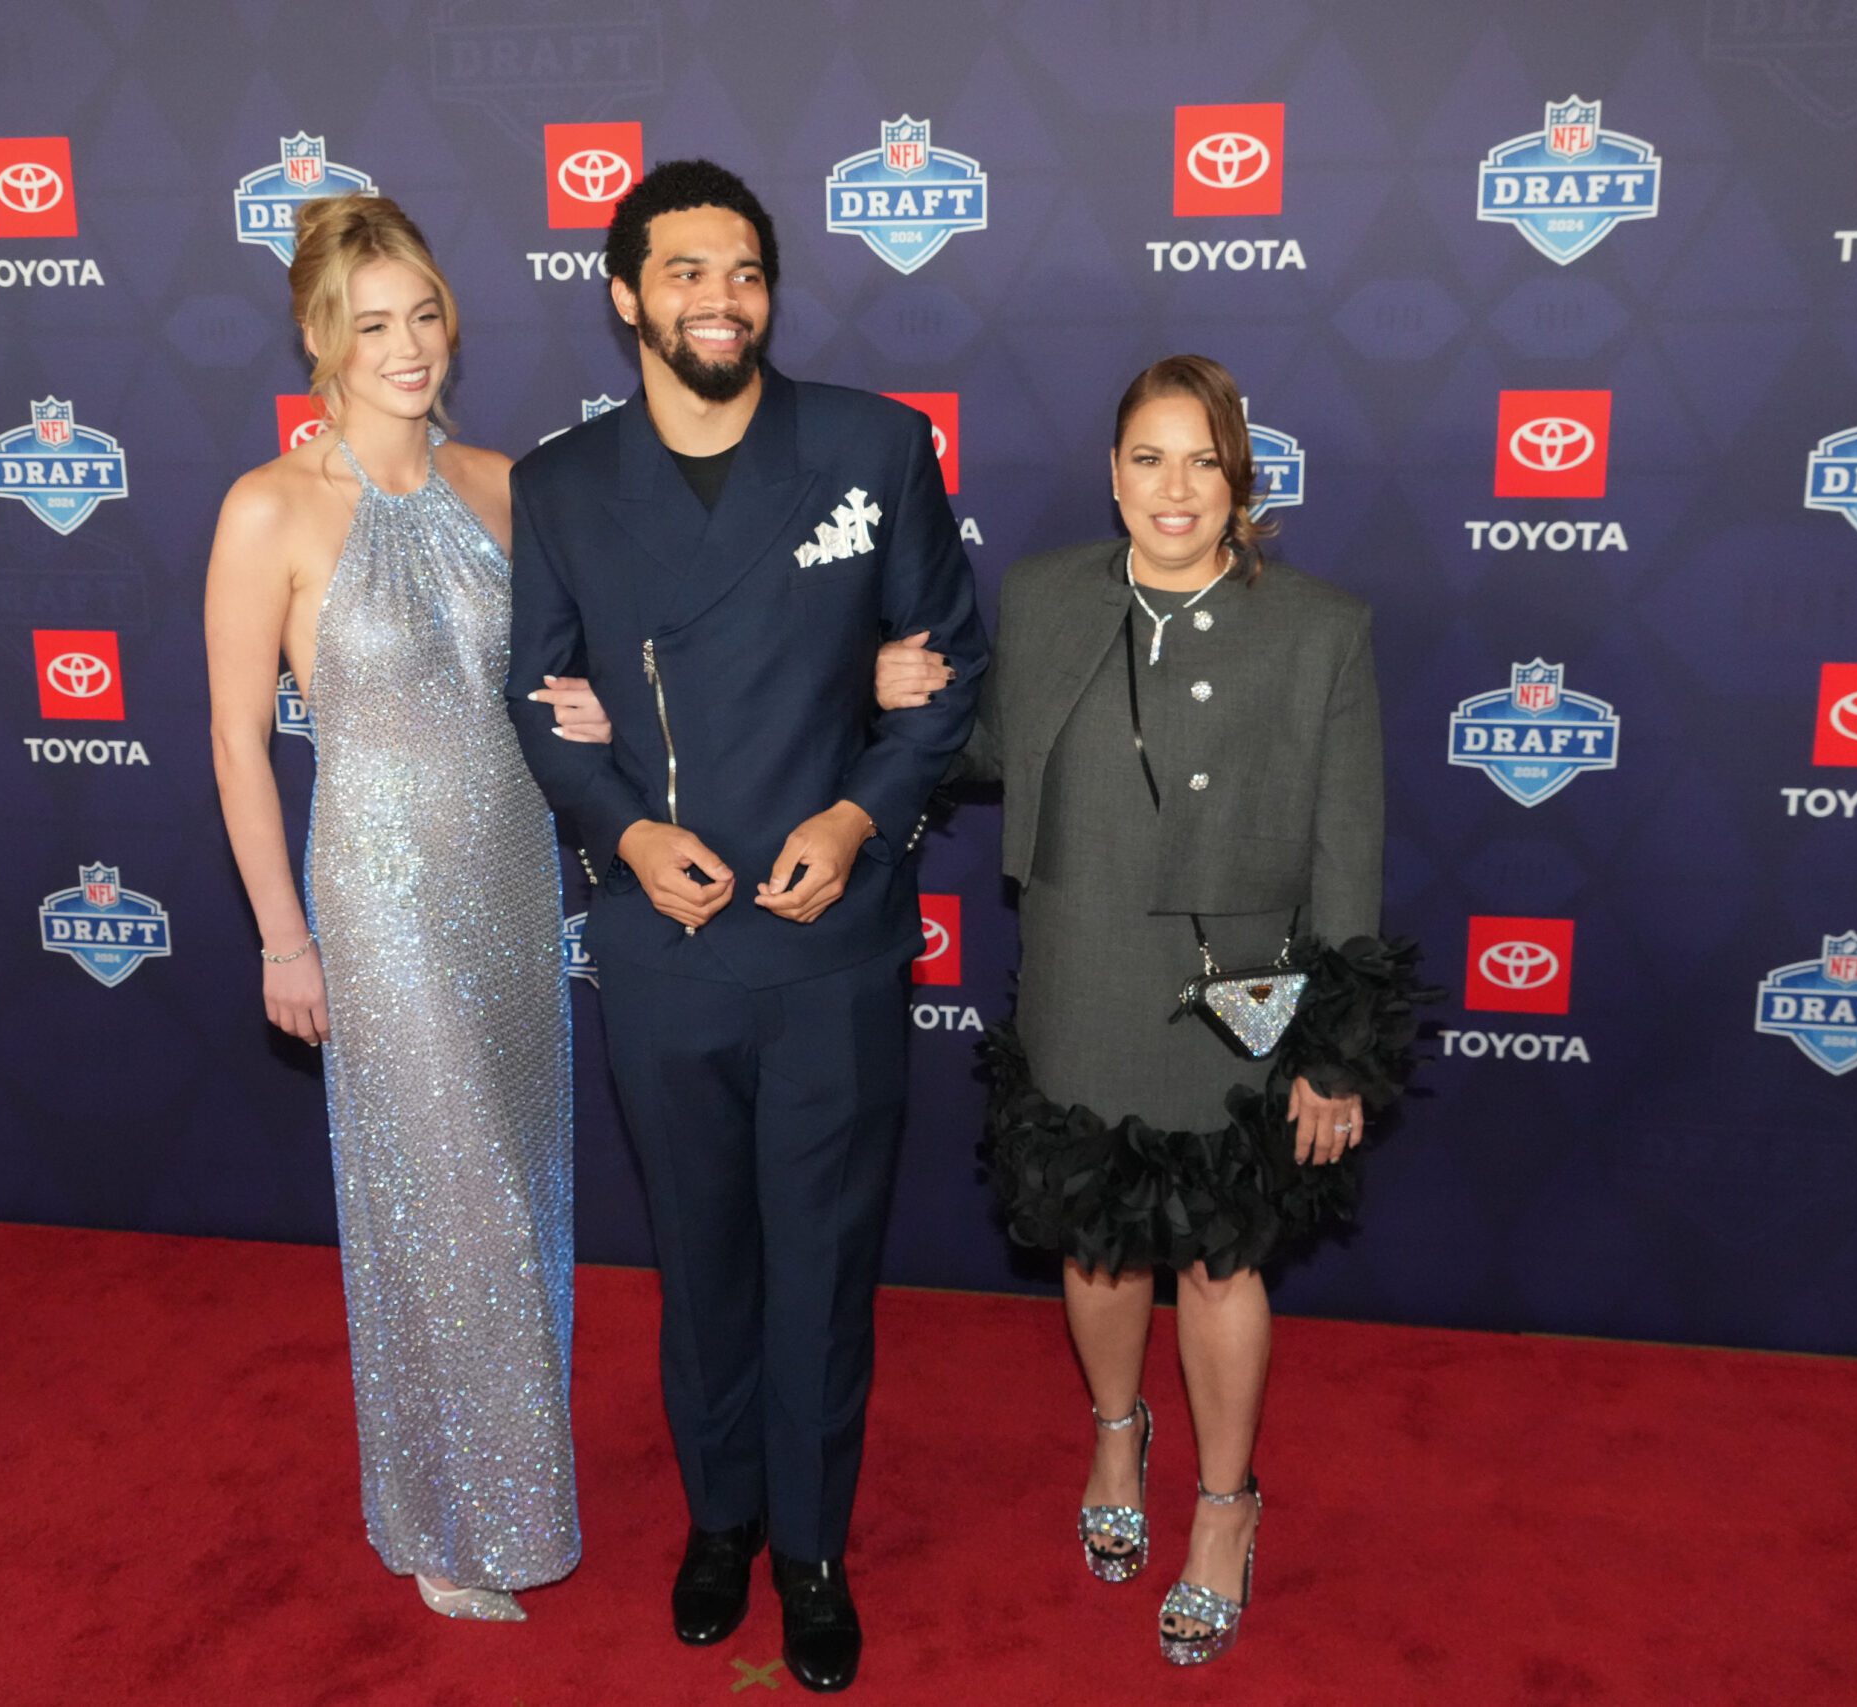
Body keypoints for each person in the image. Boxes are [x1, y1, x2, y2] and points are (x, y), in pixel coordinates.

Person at [502, 159, 987, 1693]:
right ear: (626, 296)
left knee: (823, 1263)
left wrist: (855, 819)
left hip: (832, 943)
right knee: (702, 1258)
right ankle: (721, 1525)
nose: (722, 300)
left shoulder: (873, 446)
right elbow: (541, 701)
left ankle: (811, 1549)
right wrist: (626, 832)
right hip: (662, 946)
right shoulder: (562, 486)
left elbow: (950, 668)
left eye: (746, 272)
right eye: (687, 273)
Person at [878, 354, 1425, 1666]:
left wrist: (1338, 1055)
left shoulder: (1321, 628)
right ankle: (1118, 1439)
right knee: (1097, 1241)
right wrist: (903, 699)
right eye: (1146, 459)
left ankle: (1227, 1508)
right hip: (1080, 974)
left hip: (1239, 1002)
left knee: (1222, 1257)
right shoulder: (1048, 593)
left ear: (1241, 476)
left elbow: (1348, 857)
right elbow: (997, 752)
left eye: (1201, 460)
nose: (1172, 489)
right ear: (1111, 471)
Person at [203, 192, 591, 1623]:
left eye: (423, 311)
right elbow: (241, 741)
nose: (408, 343)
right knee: (445, 1210)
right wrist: (281, 937)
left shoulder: (505, 487)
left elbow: (556, 686)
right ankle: (449, 1514)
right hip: (378, 894)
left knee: (523, 1200)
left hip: (511, 877)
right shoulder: (270, 506)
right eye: (373, 323)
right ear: (322, 338)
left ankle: (499, 1489)